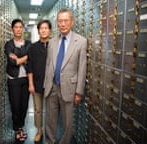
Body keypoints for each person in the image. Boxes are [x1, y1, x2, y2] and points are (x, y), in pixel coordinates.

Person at [43, 8, 87, 144]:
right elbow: (49, 65)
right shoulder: (52, 42)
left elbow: (82, 68)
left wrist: (79, 91)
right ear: (57, 23)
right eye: (60, 21)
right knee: (50, 121)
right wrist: (46, 85)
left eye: (66, 20)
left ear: (71, 22)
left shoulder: (80, 41)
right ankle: (50, 141)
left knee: (68, 123)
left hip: (69, 88)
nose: (62, 24)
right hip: (52, 88)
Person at [4, 18, 31, 142]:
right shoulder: (8, 44)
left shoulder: (28, 43)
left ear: (23, 29)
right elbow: (12, 62)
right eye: (16, 27)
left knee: (24, 106)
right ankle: (17, 129)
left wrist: (19, 58)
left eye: (20, 27)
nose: (18, 29)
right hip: (13, 79)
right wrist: (24, 57)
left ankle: (21, 127)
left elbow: (30, 59)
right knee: (15, 106)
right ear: (12, 29)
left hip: (25, 79)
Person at [27, 20, 52, 142]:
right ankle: (39, 131)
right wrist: (30, 84)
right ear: (38, 31)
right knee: (38, 109)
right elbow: (29, 66)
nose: (43, 30)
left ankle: (49, 132)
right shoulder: (33, 47)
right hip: (36, 83)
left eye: (46, 28)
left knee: (51, 110)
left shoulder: (54, 46)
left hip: (51, 85)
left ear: (50, 30)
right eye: (41, 28)